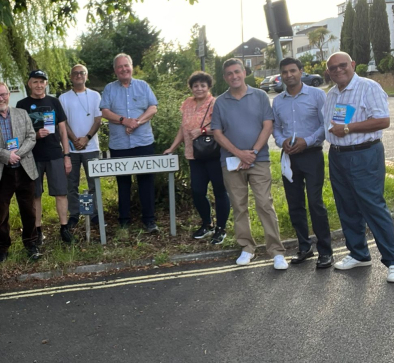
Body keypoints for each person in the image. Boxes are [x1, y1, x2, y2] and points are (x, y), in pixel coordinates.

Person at [324, 52, 394, 283]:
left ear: (352, 65)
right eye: (333, 68)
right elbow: (330, 125)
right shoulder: (331, 93)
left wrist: (348, 128)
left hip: (364, 154)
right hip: (338, 155)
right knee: (347, 207)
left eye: (342, 66)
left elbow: (383, 120)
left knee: (373, 207)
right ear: (328, 72)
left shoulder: (369, 87)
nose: (338, 70)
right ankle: (359, 254)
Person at [212, 58, 288, 270]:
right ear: (225, 77)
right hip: (231, 162)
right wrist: (239, 154)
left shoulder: (260, 96)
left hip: (259, 159)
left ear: (244, 72)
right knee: (239, 206)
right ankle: (247, 247)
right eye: (229, 73)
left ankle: (277, 251)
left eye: (237, 72)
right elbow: (217, 133)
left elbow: (267, 125)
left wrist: (252, 153)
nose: (234, 76)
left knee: (265, 204)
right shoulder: (220, 102)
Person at [272, 58, 333, 269]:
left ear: (301, 71)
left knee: (315, 203)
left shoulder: (317, 95)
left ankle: (325, 251)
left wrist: (306, 141)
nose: (289, 75)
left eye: (292, 71)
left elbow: (326, 125)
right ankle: (304, 247)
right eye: (284, 72)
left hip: (312, 154)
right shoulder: (278, 101)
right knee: (295, 204)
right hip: (288, 157)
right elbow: (276, 128)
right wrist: (282, 142)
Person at [164, 71, 230, 244]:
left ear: (208, 87)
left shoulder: (216, 103)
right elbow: (183, 128)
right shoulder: (187, 103)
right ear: (191, 88)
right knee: (198, 191)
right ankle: (207, 224)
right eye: (195, 86)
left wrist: (202, 131)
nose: (199, 88)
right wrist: (172, 147)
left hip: (214, 154)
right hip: (194, 155)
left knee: (220, 191)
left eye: (202, 85)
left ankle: (221, 229)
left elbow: (223, 127)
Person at [0, 81, 41, 261]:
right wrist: (7, 156)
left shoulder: (22, 114)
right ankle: (2, 248)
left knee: (29, 210)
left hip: (24, 169)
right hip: (2, 172)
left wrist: (17, 154)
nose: (0, 98)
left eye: (3, 94)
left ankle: (31, 243)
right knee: (0, 214)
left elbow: (31, 137)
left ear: (8, 95)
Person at [100, 53, 159, 232]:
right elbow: (104, 111)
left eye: (126, 65)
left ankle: (149, 221)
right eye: (120, 67)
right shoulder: (110, 89)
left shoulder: (143, 86)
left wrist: (137, 122)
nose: (124, 69)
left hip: (143, 142)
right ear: (115, 70)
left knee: (146, 182)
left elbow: (153, 107)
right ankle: (124, 221)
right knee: (123, 183)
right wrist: (124, 120)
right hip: (119, 145)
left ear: (131, 66)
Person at [16, 70, 75, 244]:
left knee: (61, 193)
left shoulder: (54, 102)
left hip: (55, 154)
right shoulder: (22, 104)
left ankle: (64, 228)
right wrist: (36, 134)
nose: (39, 85)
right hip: (31, 156)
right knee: (35, 195)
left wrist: (67, 155)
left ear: (46, 84)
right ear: (29, 84)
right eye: (35, 82)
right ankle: (38, 231)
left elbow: (63, 130)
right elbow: (19, 132)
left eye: (42, 82)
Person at [58, 64, 102, 229]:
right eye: (75, 73)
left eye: (82, 73)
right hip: (71, 149)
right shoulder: (63, 98)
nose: (78, 75)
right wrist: (75, 139)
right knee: (71, 184)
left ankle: (95, 214)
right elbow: (62, 123)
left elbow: (98, 120)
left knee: (94, 183)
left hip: (92, 148)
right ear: (70, 77)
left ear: (86, 76)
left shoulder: (95, 96)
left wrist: (87, 138)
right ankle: (74, 214)